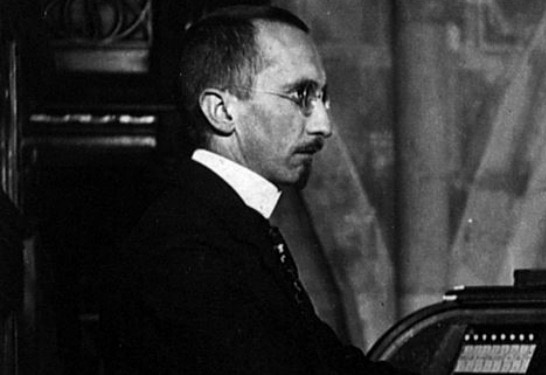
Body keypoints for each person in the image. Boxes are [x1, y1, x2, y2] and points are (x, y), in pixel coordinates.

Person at [102, 5, 415, 375]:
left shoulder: (220, 221)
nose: (324, 125)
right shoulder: (186, 242)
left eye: (322, 97)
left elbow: (326, 364)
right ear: (221, 111)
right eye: (301, 95)